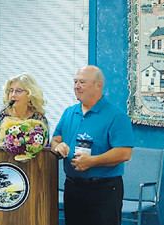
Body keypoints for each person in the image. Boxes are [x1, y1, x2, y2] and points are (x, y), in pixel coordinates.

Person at [51, 65, 134, 225]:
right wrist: (58, 147)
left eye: (82, 82)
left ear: (98, 85)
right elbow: (56, 139)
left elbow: (124, 153)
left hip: (103, 190)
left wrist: (92, 161)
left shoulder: (116, 116)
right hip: (73, 187)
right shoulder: (69, 112)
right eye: (75, 82)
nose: (76, 86)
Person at [0, 73, 48, 144]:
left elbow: (44, 150)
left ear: (30, 95)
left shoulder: (39, 120)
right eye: (11, 90)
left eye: (18, 91)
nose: (13, 95)